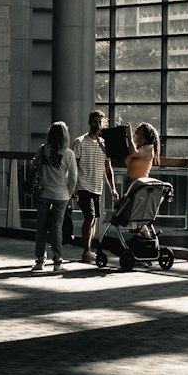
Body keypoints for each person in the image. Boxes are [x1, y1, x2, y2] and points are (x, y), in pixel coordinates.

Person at [32, 121, 77, 274]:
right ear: (65, 135)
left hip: (44, 193)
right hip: (61, 195)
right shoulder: (69, 154)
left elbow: (34, 166)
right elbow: (73, 178)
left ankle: (39, 260)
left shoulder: (43, 150)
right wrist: (69, 193)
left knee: (41, 227)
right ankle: (57, 261)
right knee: (56, 228)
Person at [72, 111, 116, 263]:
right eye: (95, 122)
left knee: (94, 219)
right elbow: (74, 166)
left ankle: (89, 250)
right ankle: (86, 251)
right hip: (83, 185)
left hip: (97, 187)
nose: (98, 125)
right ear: (89, 122)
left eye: (100, 122)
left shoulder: (105, 144)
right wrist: (74, 186)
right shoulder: (80, 142)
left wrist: (113, 189)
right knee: (89, 216)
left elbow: (108, 168)